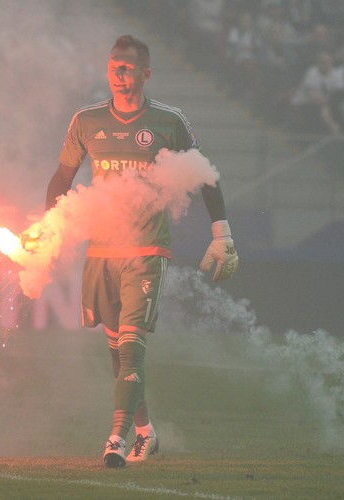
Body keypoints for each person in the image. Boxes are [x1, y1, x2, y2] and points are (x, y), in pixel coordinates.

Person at [38, 35, 238, 468]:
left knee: (131, 344)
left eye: (127, 68)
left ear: (146, 74)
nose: (119, 74)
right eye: (114, 67)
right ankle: (146, 431)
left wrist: (221, 233)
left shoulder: (168, 121)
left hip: (147, 249)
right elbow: (61, 178)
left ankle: (115, 439)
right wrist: (49, 226)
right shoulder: (86, 121)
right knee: (116, 349)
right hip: (102, 251)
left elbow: (206, 176)